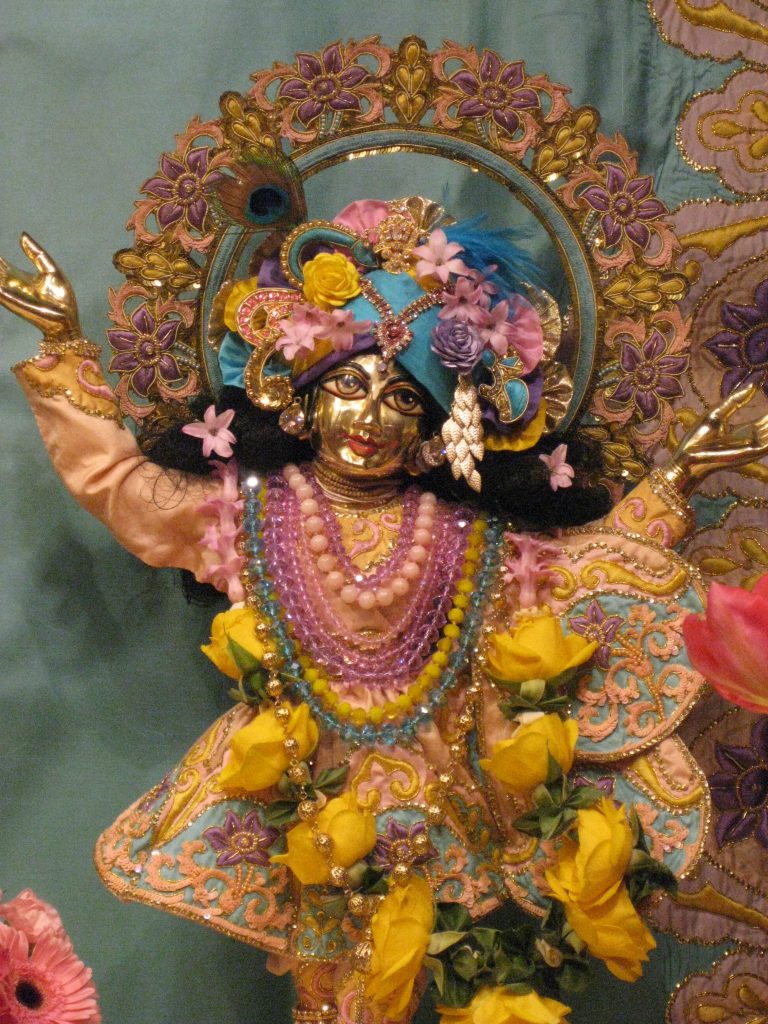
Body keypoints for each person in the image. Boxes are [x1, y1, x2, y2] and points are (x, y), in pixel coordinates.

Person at [3, 196, 768, 1024]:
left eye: (403, 400)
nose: (369, 418)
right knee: (325, 994)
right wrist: (62, 345)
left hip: (438, 797)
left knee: (404, 980)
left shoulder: (465, 539)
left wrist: (676, 482)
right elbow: (123, 488)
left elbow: (575, 573)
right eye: (348, 385)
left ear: (440, 431)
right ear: (297, 400)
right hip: (299, 789)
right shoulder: (253, 517)